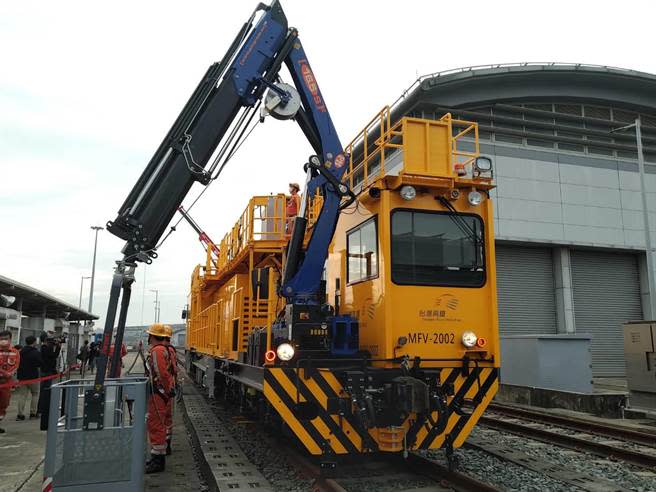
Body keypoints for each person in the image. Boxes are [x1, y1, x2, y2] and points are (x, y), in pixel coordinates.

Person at [144, 323, 175, 473]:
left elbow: (161, 373)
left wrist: (164, 389)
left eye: (149, 335)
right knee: (161, 423)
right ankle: (158, 456)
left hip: (158, 393)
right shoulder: (165, 350)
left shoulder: (157, 351)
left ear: (152, 336)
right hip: (162, 392)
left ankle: (157, 461)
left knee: (156, 424)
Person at [38, 332, 61, 431]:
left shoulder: (45, 347)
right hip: (46, 372)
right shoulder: (44, 348)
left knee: (45, 390)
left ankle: (41, 408)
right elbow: (53, 356)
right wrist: (58, 348)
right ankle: (42, 409)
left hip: (47, 371)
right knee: (45, 391)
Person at [15, 336, 42, 420]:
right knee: (35, 394)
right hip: (33, 376)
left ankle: (20, 414)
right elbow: (40, 363)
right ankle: (33, 413)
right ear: (33, 342)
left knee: (22, 395)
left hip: (22, 376)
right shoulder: (36, 352)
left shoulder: (20, 351)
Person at [162, 325, 178, 456]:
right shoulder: (171, 350)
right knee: (168, 417)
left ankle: (160, 446)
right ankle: (167, 443)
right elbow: (175, 369)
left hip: (161, 388)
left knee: (159, 417)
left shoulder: (158, 351)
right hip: (170, 386)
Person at [0, 330, 20, 433]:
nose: (3, 341)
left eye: (5, 339)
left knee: (4, 403)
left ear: (10, 339)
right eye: (1, 339)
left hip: (6, 382)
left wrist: (11, 373)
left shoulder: (15, 352)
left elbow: (16, 365)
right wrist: (4, 372)